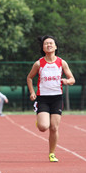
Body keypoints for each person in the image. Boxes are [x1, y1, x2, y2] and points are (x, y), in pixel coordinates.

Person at [26, 35, 75, 163]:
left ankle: (52, 153)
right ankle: (40, 121)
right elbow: (29, 78)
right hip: (42, 98)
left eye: (51, 43)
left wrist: (67, 81)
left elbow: (72, 79)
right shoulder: (39, 63)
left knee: (54, 128)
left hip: (57, 98)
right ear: (43, 47)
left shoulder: (61, 62)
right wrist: (32, 92)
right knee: (43, 127)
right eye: (46, 43)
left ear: (55, 46)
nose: (49, 45)